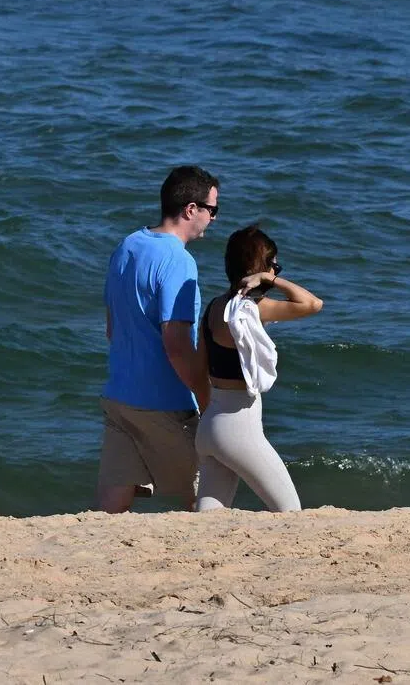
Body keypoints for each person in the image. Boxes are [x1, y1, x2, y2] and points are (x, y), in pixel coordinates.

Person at [96, 165, 219, 513]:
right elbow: (176, 343)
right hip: (164, 404)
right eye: (212, 210)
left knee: (110, 508)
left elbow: (111, 328)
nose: (214, 219)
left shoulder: (127, 246)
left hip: (119, 395)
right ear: (191, 209)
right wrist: (205, 397)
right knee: (208, 487)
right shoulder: (179, 261)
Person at [195, 224, 322, 512]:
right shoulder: (254, 308)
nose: (276, 270)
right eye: (273, 265)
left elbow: (198, 365)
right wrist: (269, 279)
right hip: (239, 428)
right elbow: (313, 304)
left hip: (210, 423)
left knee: (207, 522)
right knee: (291, 511)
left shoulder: (215, 307)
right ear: (258, 268)